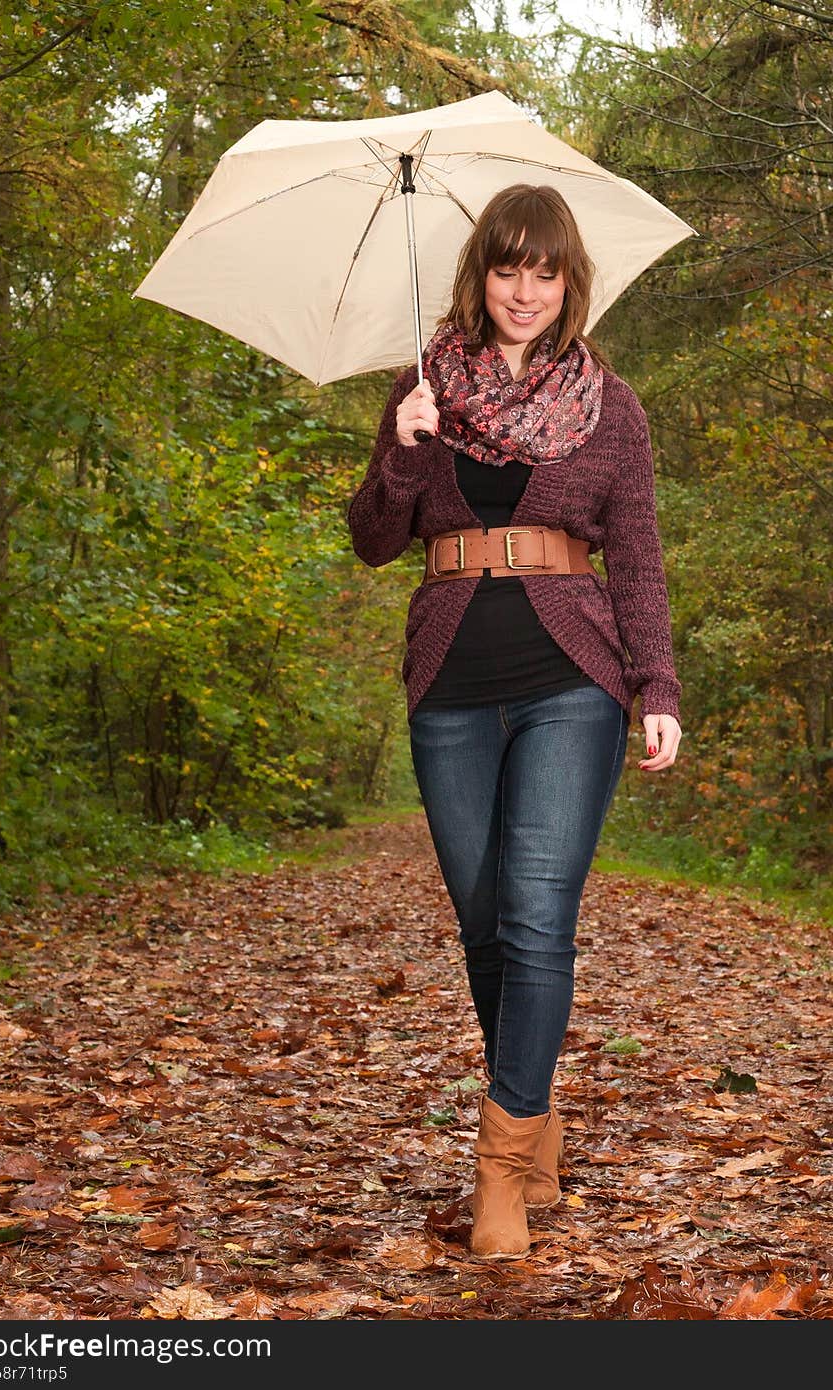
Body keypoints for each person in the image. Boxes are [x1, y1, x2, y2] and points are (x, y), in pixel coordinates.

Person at [346, 184, 682, 1262]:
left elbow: (635, 552)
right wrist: (404, 448)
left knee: (538, 915)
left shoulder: (609, 404)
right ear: (478, 275)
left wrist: (657, 688)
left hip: (569, 675)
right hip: (448, 680)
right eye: (506, 268)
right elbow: (371, 539)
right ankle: (532, 1114)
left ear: (569, 282)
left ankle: (500, 1169)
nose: (524, 290)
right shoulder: (422, 387)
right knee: (486, 921)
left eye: (544, 271)